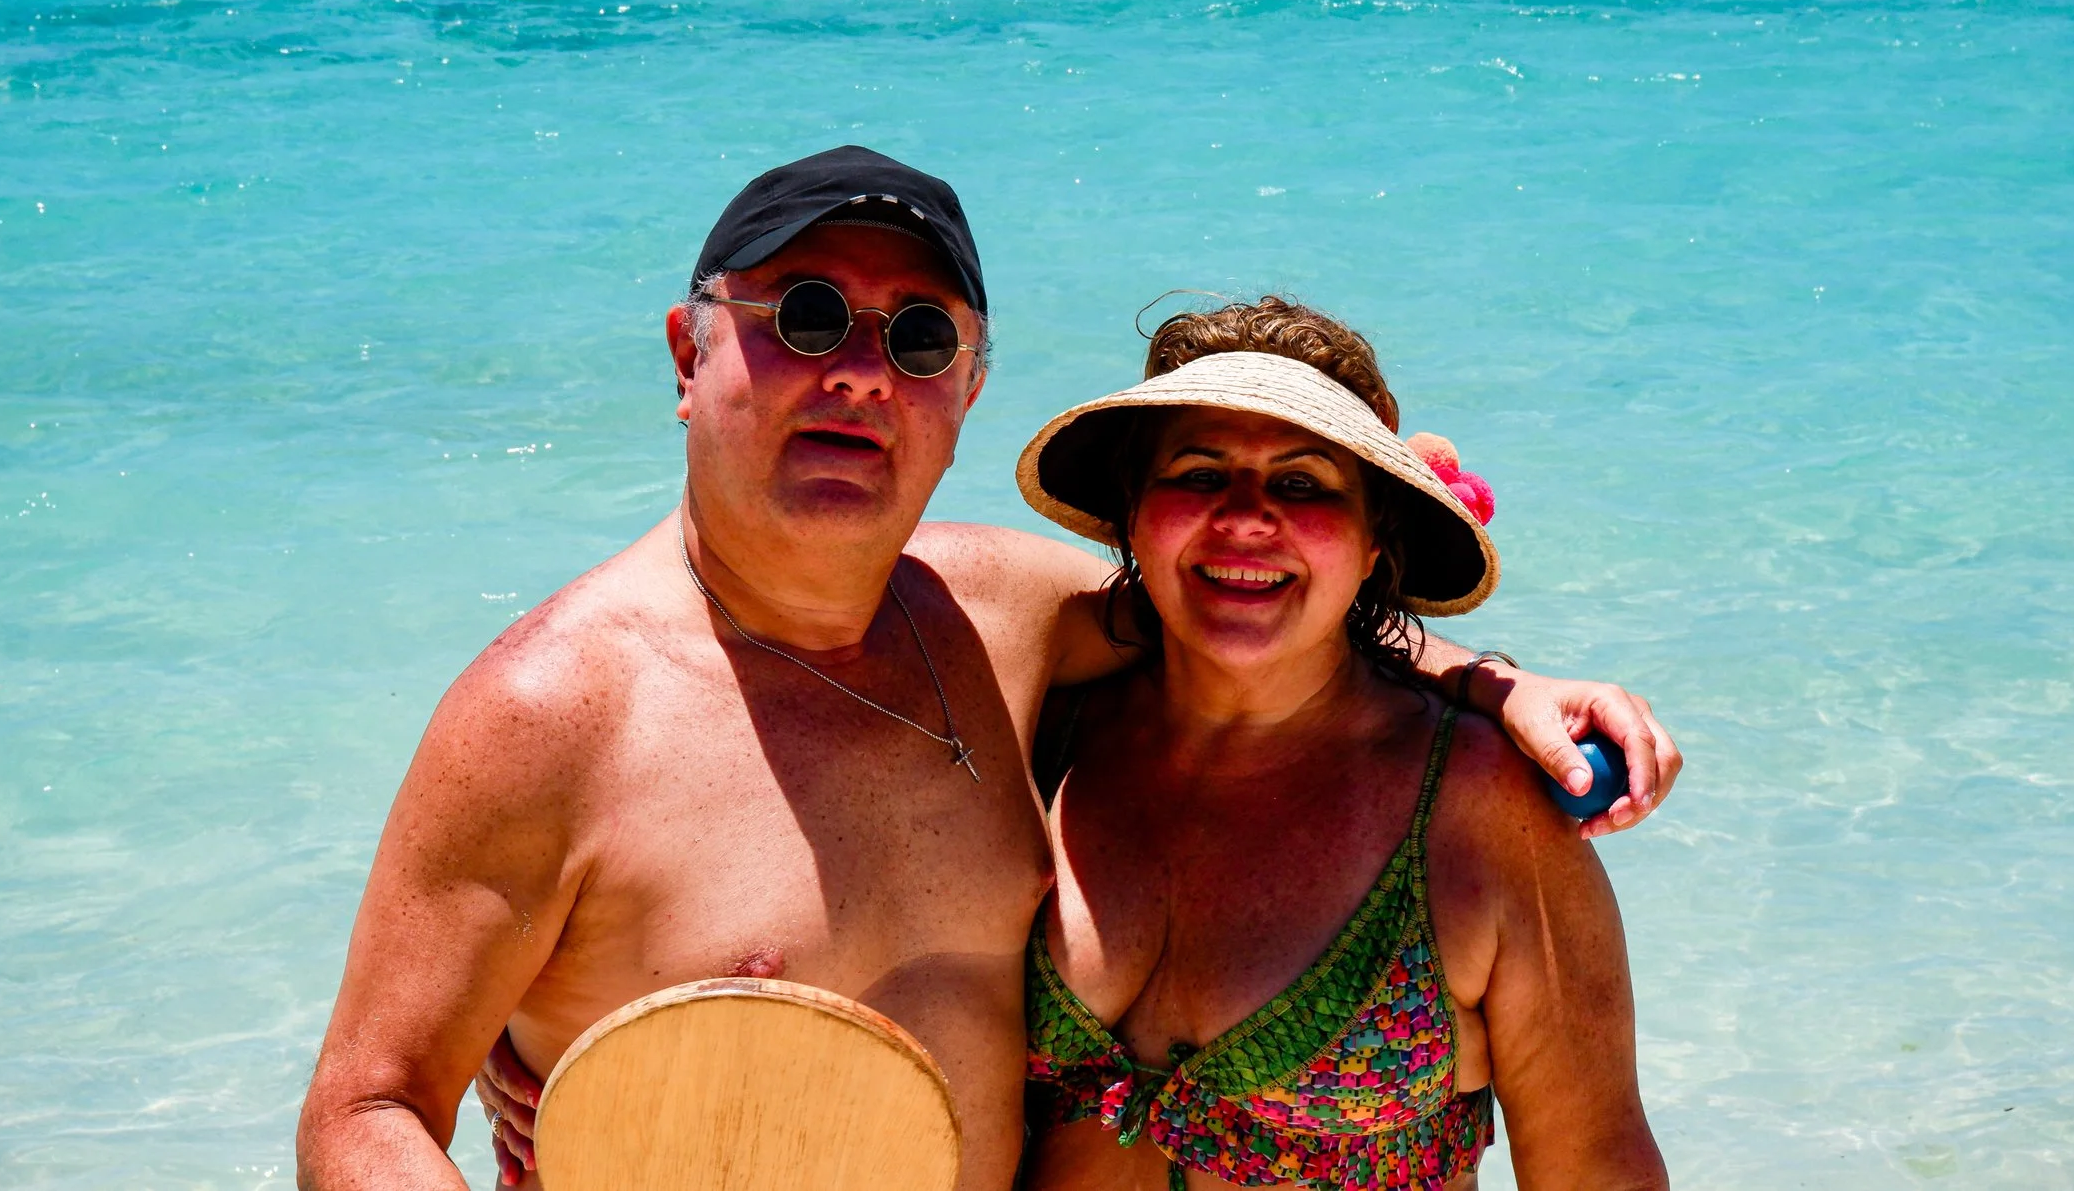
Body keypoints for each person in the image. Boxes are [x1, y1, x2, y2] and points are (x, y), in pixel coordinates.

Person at [295, 146, 1680, 1191]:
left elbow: (1256, 608)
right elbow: (363, 1109)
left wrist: (1492, 682)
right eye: (806, 313)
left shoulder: (998, 614)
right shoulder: (556, 710)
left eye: (916, 338)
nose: (858, 373)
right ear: (687, 346)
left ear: (964, 388)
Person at [1017, 300, 1667, 1190]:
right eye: (1201, 473)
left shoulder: (1479, 803)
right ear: (1132, 516)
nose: (1246, 518)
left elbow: (1596, 1160)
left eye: (1302, 484)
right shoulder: (1043, 733)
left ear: (1372, 545)